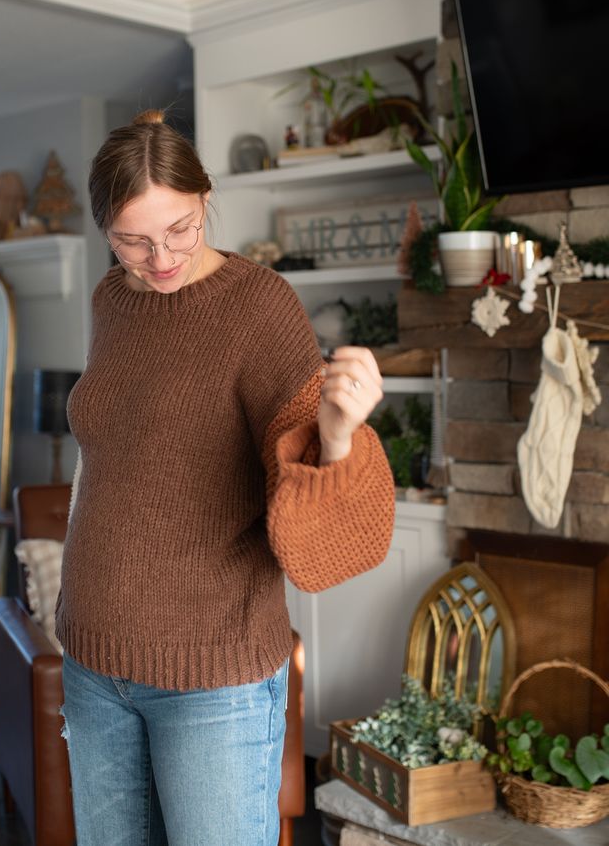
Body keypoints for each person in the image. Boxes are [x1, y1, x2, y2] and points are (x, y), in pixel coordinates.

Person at [55, 109, 395, 846]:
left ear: (205, 197)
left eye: (180, 228)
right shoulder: (112, 300)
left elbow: (305, 504)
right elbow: (121, 461)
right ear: (105, 232)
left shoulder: (259, 306)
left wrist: (337, 435)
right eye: (134, 240)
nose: (162, 256)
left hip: (212, 676)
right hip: (92, 659)